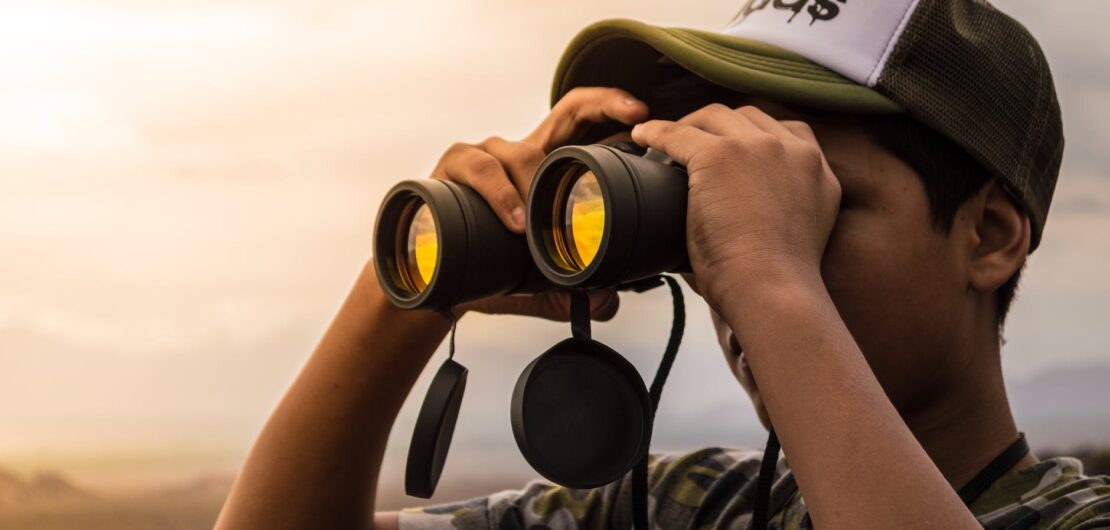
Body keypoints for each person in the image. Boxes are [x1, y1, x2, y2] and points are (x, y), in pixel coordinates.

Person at [214, 1, 1110, 529]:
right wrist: (409, 285)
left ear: (989, 234)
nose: (723, 253)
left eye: (808, 194)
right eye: (709, 190)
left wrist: (770, 273)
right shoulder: (695, 506)